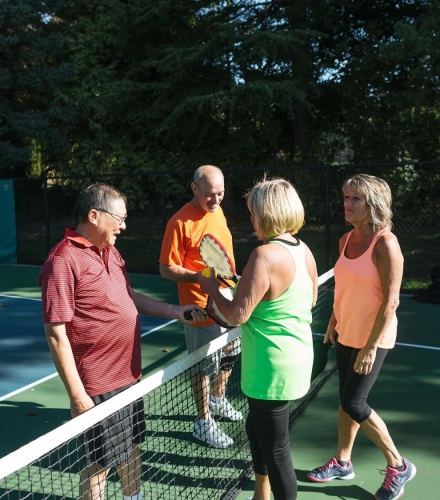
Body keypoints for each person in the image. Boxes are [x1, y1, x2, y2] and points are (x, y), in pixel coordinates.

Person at [40, 183, 204, 500]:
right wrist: (77, 395)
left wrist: (175, 311)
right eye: (120, 218)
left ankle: (133, 497)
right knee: (99, 463)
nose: (124, 226)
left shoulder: (111, 251)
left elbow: (126, 297)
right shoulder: (62, 261)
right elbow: (56, 332)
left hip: (130, 375)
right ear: (94, 216)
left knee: (131, 445)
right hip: (99, 382)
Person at [197, 178, 318, 500]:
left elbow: (236, 316)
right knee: (256, 427)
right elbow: (309, 298)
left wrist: (211, 289)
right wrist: (247, 285)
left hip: (269, 367)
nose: (251, 218)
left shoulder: (264, 255)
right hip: (297, 357)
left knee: (278, 450)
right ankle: (261, 494)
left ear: (266, 213)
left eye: (252, 212)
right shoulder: (302, 250)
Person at [306, 174, 417, 500]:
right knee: (345, 399)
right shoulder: (345, 240)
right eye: (345, 197)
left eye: (355, 199)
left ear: (373, 205)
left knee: (355, 403)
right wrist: (333, 319)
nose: (347, 204)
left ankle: (398, 465)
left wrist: (370, 347)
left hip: (373, 338)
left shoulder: (386, 244)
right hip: (346, 331)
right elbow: (344, 287)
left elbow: (391, 300)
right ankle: (343, 461)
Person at [159, 165, 243, 449]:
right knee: (204, 366)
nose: (216, 200)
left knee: (231, 351)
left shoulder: (217, 211)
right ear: (194, 189)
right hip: (198, 306)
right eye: (209, 195)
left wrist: (230, 281)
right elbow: (166, 268)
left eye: (220, 193)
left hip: (226, 298)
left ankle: (218, 400)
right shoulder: (179, 222)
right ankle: (203, 420)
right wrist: (197, 277)